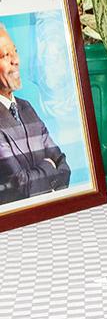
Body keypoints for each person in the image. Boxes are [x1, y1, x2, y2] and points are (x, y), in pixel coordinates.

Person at [0, 24, 70, 203]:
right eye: (5, 55)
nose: (16, 60)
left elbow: (64, 166)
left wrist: (39, 178)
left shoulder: (26, 107)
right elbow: (21, 185)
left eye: (15, 51)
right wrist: (49, 166)